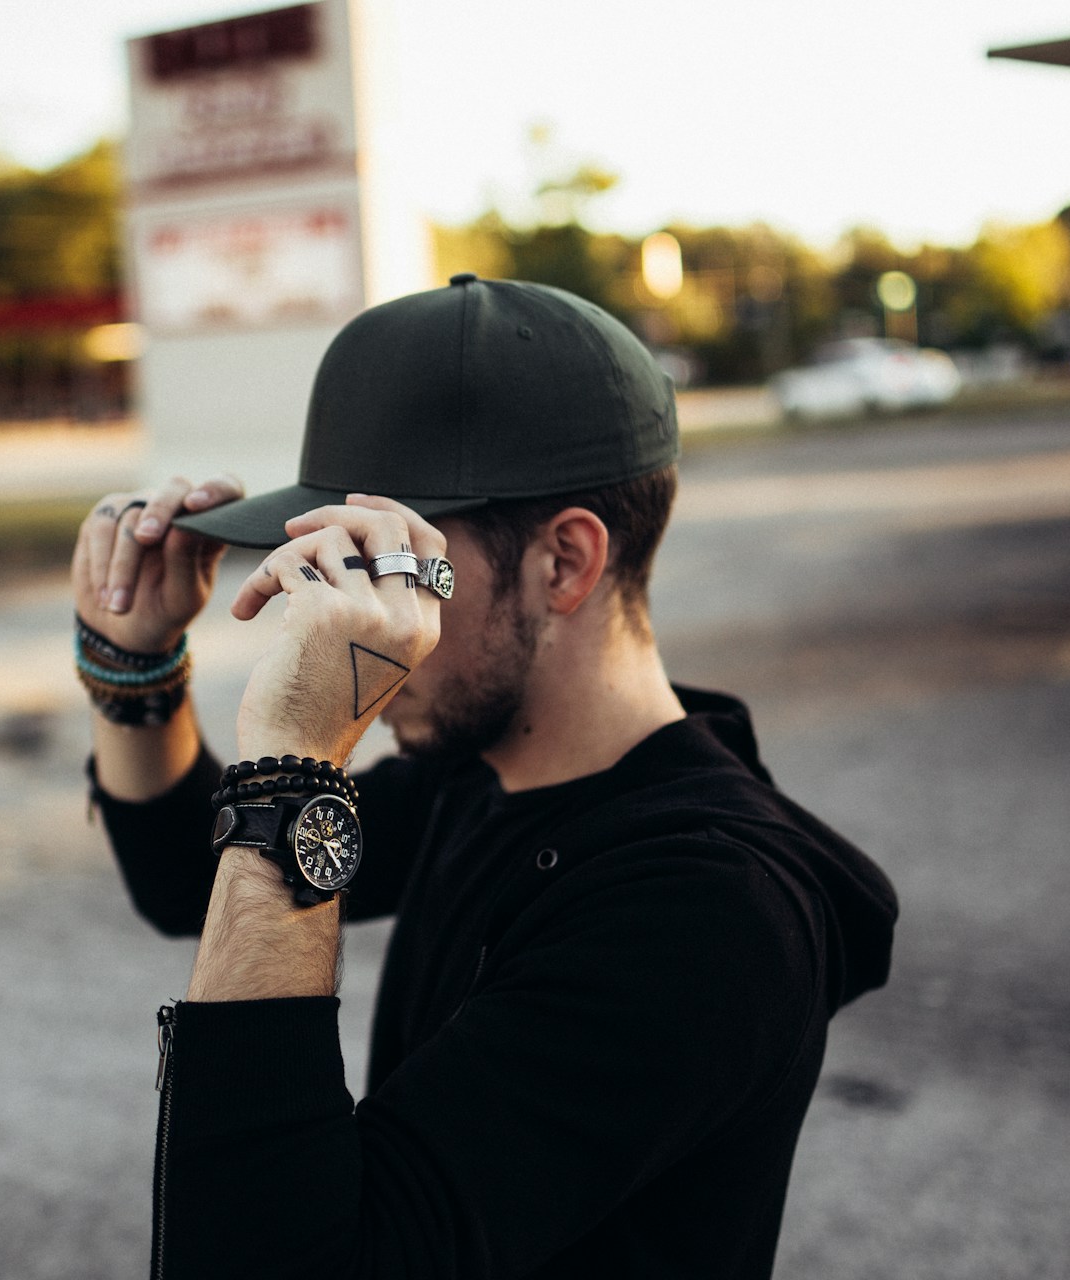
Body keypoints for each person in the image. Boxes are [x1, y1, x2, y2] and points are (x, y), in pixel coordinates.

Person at [73, 274, 898, 1279]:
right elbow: (186, 881)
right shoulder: (486, 770)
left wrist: (296, 765)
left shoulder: (704, 910)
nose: (328, 605)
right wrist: (140, 670)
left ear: (564, 563)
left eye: (379, 561)